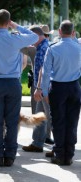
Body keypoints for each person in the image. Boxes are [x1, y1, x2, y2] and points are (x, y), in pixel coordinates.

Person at [0, 9, 38, 167]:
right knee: (12, 121)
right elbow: (35, 36)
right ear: (9, 22)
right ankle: (10, 155)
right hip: (13, 83)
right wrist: (16, 26)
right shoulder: (16, 39)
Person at [38, 20, 81, 166]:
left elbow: (45, 72)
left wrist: (44, 92)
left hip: (57, 87)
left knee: (58, 121)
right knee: (72, 122)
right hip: (74, 86)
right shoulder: (79, 47)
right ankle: (69, 155)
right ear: (73, 32)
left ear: (60, 31)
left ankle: (59, 153)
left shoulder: (53, 48)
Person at [22, 26, 53, 153]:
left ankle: (58, 147)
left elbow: (43, 71)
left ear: (36, 36)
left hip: (44, 88)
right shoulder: (41, 46)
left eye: (30, 37)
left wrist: (39, 89)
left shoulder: (42, 49)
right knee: (40, 116)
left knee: (51, 115)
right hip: (43, 87)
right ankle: (37, 143)